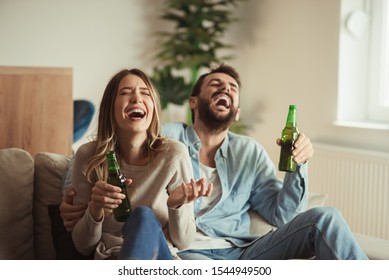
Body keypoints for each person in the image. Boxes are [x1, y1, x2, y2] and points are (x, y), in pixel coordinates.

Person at [61, 64, 368, 260]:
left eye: (232, 89)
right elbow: (97, 154)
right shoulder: (165, 138)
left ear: (236, 111)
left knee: (325, 218)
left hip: (247, 251)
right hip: (190, 251)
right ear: (193, 102)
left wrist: (299, 164)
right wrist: (71, 200)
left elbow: (283, 216)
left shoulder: (250, 153)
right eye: (215, 85)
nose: (225, 90)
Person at [68, 68, 212, 260]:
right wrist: (95, 208)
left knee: (143, 216)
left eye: (145, 93)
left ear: (153, 107)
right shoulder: (88, 156)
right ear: (111, 106)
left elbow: (183, 242)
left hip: (158, 259)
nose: (137, 99)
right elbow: (82, 247)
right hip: (112, 258)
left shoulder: (174, 155)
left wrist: (175, 206)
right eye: (126, 93)